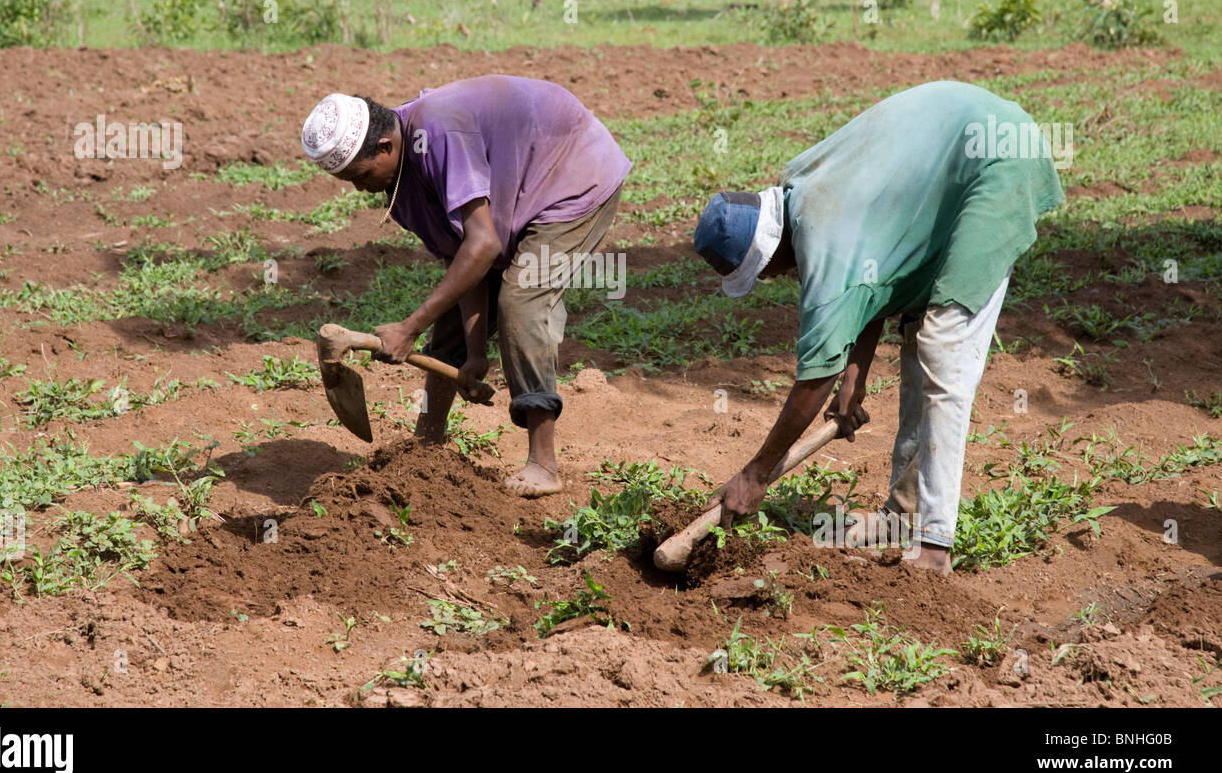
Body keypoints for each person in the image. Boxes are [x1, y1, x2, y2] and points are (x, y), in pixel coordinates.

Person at [693, 81, 1065, 574]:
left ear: (771, 251)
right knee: (918, 333)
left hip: (997, 161)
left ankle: (934, 546)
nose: (779, 278)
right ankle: (902, 515)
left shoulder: (822, 245)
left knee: (942, 349)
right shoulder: (804, 183)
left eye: (767, 271)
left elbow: (813, 378)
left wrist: (756, 474)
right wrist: (855, 378)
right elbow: (876, 267)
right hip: (962, 155)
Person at [300, 76, 630, 497]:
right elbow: (466, 257)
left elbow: (484, 243)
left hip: (572, 173)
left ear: (384, 147)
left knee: (522, 300)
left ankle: (543, 465)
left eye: (360, 175)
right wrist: (474, 355)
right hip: (519, 188)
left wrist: (410, 327)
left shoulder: (439, 135)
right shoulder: (400, 181)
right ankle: (426, 443)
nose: (359, 188)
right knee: (451, 310)